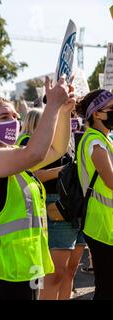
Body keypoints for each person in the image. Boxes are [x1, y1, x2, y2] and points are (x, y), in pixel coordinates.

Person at [0, 76, 75, 300]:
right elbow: (34, 153)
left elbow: (56, 150)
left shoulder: (12, 154)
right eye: (4, 117)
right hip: (1, 272)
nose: (13, 121)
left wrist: (64, 112)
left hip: (23, 267)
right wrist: (52, 105)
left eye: (15, 116)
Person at [17, 109, 85, 300]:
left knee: (69, 270)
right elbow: (26, 175)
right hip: (53, 206)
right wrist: (64, 170)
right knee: (54, 274)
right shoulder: (27, 143)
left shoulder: (63, 144)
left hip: (74, 206)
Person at [75, 89, 113, 300]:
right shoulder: (95, 142)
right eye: (112, 109)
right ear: (96, 114)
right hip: (102, 226)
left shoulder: (103, 139)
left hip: (106, 224)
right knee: (107, 288)